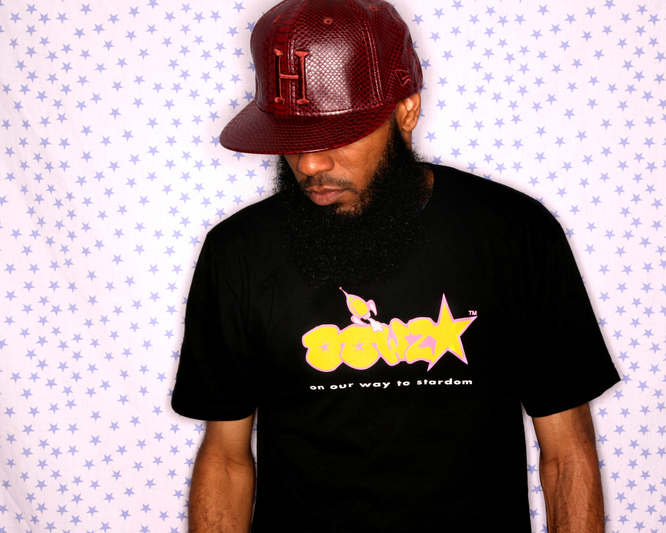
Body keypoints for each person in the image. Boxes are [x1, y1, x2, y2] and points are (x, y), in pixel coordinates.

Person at [171, 0, 620, 531]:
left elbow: (567, 453)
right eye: (292, 136)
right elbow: (225, 458)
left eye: (337, 133)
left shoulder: (516, 234)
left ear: (406, 110)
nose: (310, 163)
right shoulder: (238, 252)